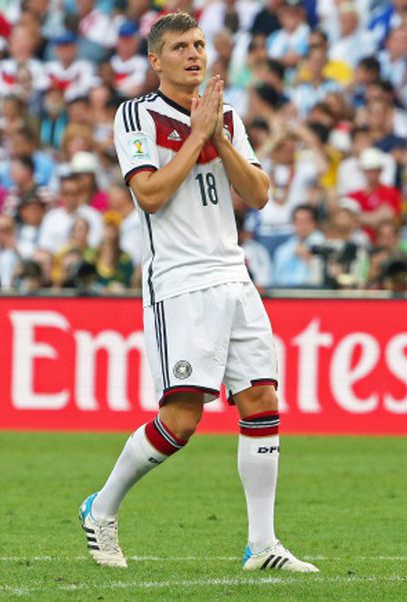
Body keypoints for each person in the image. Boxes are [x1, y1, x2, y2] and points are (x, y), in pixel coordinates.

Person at [79, 12, 318, 574]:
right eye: (181, 46)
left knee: (261, 400)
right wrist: (196, 137)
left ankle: (262, 545)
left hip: (234, 275)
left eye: (200, 44)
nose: (194, 53)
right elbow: (151, 196)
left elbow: (258, 193)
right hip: (181, 281)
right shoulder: (135, 115)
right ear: (156, 60)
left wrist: (218, 136)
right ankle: (101, 508)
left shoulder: (226, 115)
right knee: (182, 420)